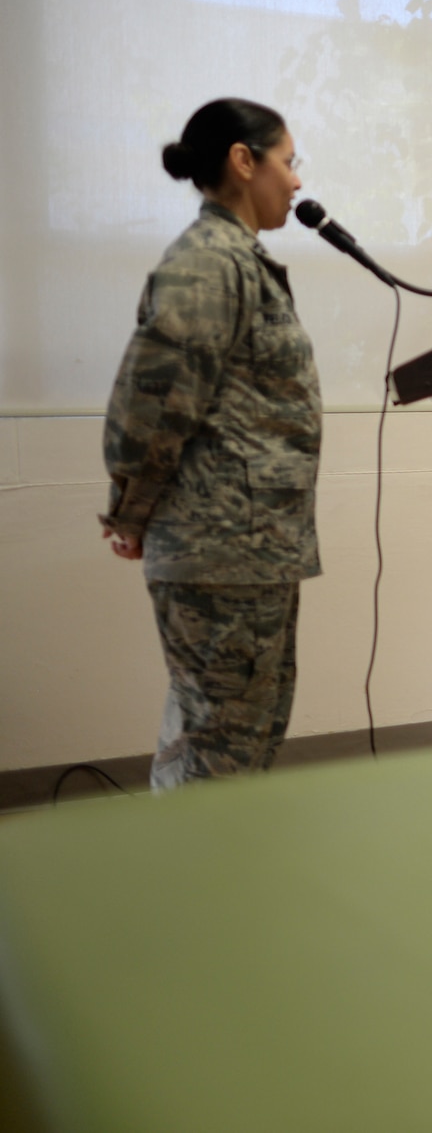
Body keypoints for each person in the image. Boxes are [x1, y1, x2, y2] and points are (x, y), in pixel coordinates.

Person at [101, 99, 320, 790]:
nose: (296, 181)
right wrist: (129, 512)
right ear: (242, 160)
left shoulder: (237, 260)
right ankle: (191, 890)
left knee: (232, 735)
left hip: (250, 550)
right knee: (221, 748)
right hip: (220, 550)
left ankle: (205, 883)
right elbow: (154, 403)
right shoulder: (206, 264)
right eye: (288, 162)